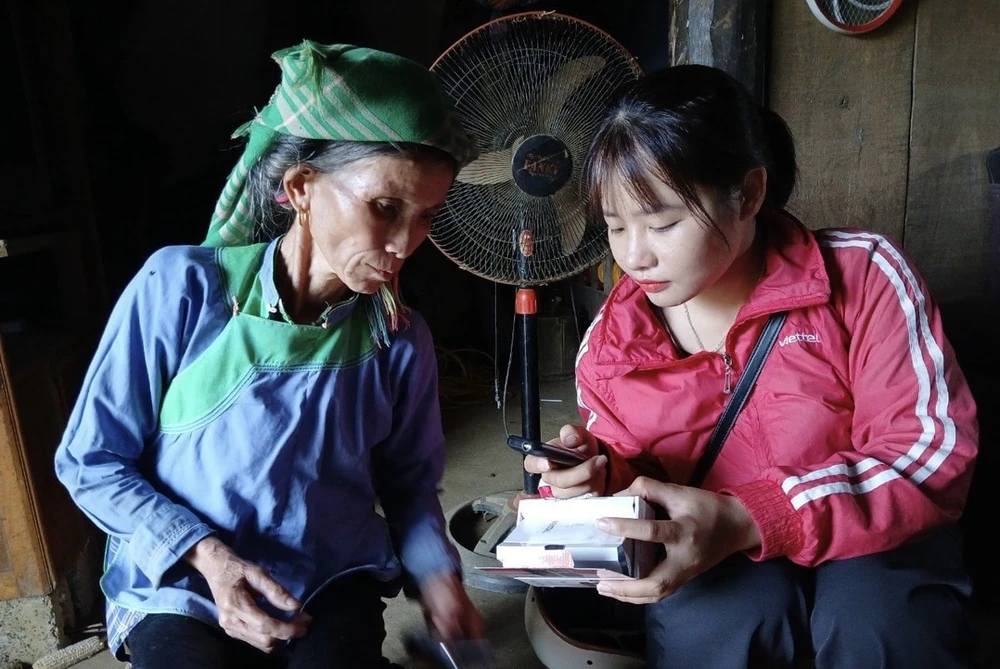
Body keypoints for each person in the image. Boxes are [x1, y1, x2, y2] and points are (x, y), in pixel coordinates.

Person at [524, 64, 980, 669]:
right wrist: (595, 477)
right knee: (721, 626)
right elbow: (639, 473)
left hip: (876, 535)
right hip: (713, 545)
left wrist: (750, 515)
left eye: (662, 222)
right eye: (614, 226)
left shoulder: (865, 276)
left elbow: (929, 454)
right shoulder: (614, 340)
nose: (634, 255)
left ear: (749, 195)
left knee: (878, 623)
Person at [54, 41, 483, 669]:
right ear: (301, 187)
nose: (404, 244)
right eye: (384, 208)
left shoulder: (399, 338)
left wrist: (439, 578)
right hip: (182, 581)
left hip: (327, 577)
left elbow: (410, 487)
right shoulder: (182, 290)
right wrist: (208, 556)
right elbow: (89, 459)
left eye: (426, 217)